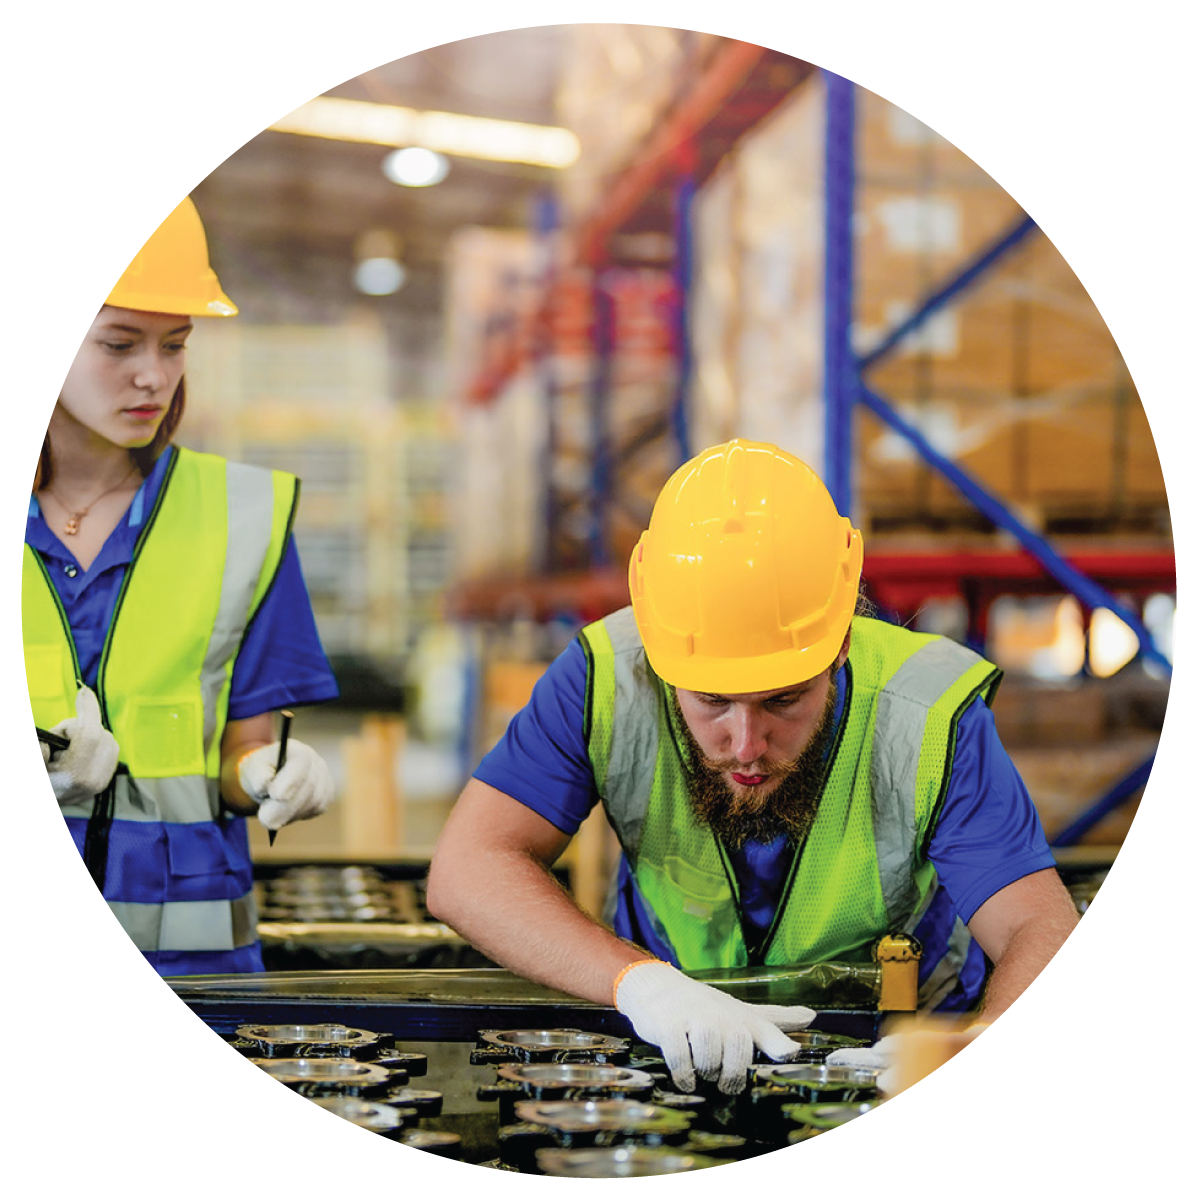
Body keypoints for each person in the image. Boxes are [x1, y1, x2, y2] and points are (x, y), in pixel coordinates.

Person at [427, 438, 1081, 1094]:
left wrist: (976, 1036)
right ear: (656, 651)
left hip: (891, 1056)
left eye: (784, 699)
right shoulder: (604, 679)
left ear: (842, 642)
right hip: (672, 1042)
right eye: (711, 700)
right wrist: (641, 985)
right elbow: (467, 870)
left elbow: (1038, 924)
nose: (745, 745)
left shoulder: (928, 713)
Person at [26, 196, 340, 977]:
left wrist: (267, 775)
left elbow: (242, 752)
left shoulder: (245, 517)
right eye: (119, 344)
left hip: (193, 966)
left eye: (175, 345)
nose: (153, 376)